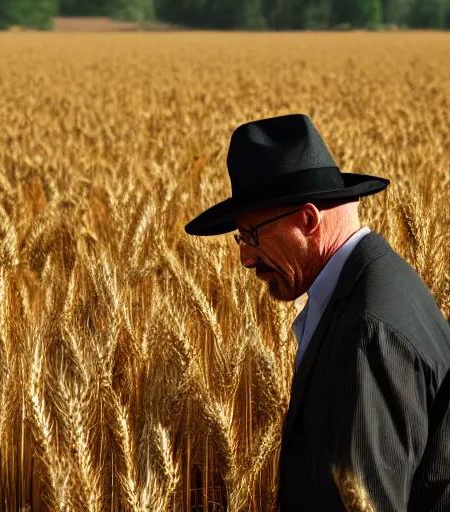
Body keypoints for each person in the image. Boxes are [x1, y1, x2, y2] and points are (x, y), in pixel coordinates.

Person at [185, 113, 450, 511]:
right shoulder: (381, 278)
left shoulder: (366, 330)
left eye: (251, 235)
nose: (245, 258)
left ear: (308, 219)